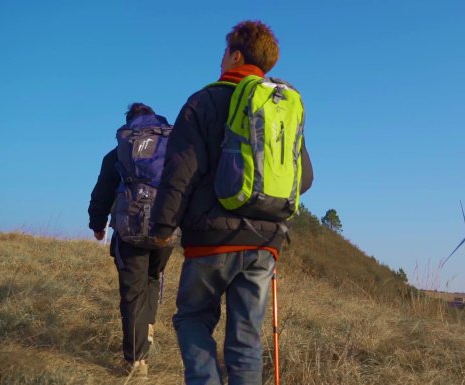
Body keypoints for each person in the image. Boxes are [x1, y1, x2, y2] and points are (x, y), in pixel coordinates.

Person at [150, 20, 313, 385]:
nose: (221, 59)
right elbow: (305, 178)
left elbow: (180, 172)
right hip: (264, 244)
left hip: (210, 241)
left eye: (224, 52)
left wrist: (162, 229)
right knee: (245, 342)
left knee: (192, 319)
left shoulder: (203, 101)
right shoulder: (281, 107)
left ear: (236, 55)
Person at [88, 102, 173, 377]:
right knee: (151, 280)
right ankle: (145, 338)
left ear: (128, 125)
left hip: (129, 231)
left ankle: (137, 361)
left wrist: (97, 224)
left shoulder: (117, 154)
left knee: (132, 292)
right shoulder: (171, 148)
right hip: (164, 230)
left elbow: (102, 193)